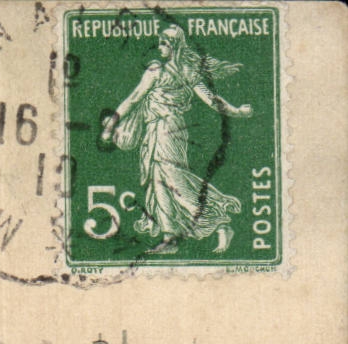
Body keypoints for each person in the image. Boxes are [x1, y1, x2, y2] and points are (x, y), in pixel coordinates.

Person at [100, 24, 252, 255]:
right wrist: (113, 123)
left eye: (165, 43)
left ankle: (219, 222)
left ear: (175, 46)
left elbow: (211, 100)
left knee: (173, 179)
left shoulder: (172, 72)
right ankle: (170, 237)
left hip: (169, 129)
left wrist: (236, 111)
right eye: (160, 42)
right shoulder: (158, 71)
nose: (160, 47)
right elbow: (133, 99)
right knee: (158, 180)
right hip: (155, 130)